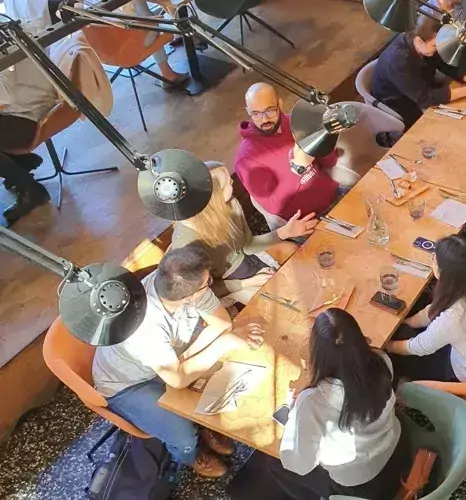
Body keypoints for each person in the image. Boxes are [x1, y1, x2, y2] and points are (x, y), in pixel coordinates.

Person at [91, 244, 264, 477]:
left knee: (212, 377)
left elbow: (222, 323)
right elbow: (177, 379)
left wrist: (192, 360)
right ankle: (190, 455)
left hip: (167, 358)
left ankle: (203, 424)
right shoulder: (145, 328)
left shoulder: (181, 281)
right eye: (207, 283)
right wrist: (222, 344)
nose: (209, 284)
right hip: (128, 384)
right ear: (189, 297)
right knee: (182, 434)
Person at [266, 308, 409, 500]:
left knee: (273, 462)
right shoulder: (380, 360)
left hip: (359, 484)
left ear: (316, 353)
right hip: (396, 448)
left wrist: (294, 413)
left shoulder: (312, 401)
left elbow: (299, 464)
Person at [170, 163, 316, 304]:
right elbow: (203, 292)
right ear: (215, 197)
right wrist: (246, 283)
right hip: (226, 282)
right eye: (227, 183)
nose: (232, 182)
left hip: (247, 258)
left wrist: (284, 232)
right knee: (282, 296)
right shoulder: (187, 243)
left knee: (293, 251)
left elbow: (248, 245)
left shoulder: (231, 203)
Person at [385, 235, 466, 383]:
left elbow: (419, 346)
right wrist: (408, 321)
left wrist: (388, 345)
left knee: (399, 342)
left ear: (445, 273)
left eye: (434, 260)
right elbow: (433, 310)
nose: (432, 261)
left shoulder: (455, 317)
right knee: (411, 320)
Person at [235, 83, 342, 232]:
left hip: (335, 195)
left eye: (269, 110)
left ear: (280, 104)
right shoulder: (247, 159)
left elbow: (330, 162)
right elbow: (272, 206)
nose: (264, 119)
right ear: (248, 111)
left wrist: (325, 137)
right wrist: (297, 169)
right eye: (256, 114)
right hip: (307, 223)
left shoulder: (296, 122)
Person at [371, 19, 466, 129]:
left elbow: (444, 62)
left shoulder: (423, 45)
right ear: (419, 41)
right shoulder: (399, 60)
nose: (437, 49)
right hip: (401, 103)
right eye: (435, 46)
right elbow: (425, 98)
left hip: (423, 87)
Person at [0, 0, 57, 225]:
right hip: (22, 105)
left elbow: (3, 98)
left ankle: (31, 191)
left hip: (26, 114)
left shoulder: (3, 34)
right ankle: (19, 164)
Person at [130, 0, 190, 88]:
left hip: (112, 50)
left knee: (157, 8)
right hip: (130, 43)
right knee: (148, 21)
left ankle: (185, 33)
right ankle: (167, 73)